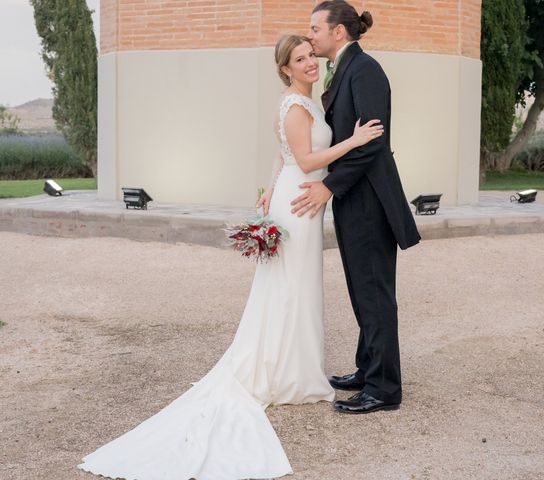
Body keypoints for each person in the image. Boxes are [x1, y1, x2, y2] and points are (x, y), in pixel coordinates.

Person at [77, 35, 383, 480]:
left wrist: (266, 193)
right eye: (300, 59)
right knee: (290, 288)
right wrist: (353, 141)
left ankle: (297, 367)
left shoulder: (306, 101)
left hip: (294, 198)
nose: (310, 62)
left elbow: (281, 160)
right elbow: (306, 156)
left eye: (310, 55)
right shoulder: (295, 107)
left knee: (295, 286)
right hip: (299, 204)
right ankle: (286, 374)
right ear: (286, 69)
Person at [291, 0, 421, 414]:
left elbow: (373, 140)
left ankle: (383, 389)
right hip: (354, 200)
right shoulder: (343, 69)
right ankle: (368, 368)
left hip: (370, 200)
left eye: (315, 28)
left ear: (338, 32)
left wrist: (328, 187)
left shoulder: (365, 70)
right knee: (361, 289)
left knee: (375, 293)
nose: (310, 35)